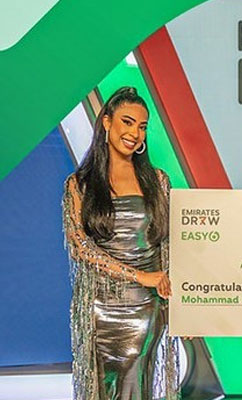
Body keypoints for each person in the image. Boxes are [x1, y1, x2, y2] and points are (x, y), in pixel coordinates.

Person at [62, 86, 179, 400]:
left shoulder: (158, 181)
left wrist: (181, 305)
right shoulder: (80, 184)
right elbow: (80, 246)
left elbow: (171, 244)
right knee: (102, 388)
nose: (135, 133)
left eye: (142, 126)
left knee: (135, 383)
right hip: (100, 310)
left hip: (146, 308)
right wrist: (139, 276)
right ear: (106, 122)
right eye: (127, 122)